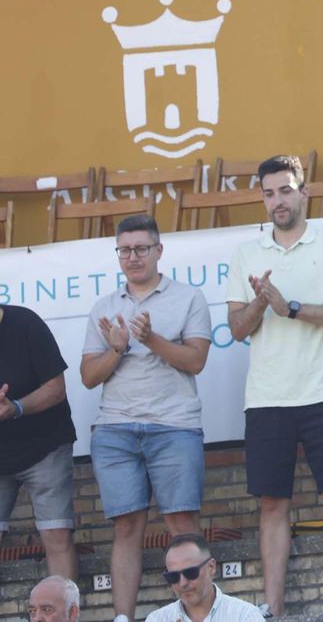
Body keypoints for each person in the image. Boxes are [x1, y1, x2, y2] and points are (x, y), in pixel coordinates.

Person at [223, 155, 323, 618]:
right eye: (268, 193)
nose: (277, 201)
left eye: (285, 190)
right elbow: (238, 329)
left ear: (304, 192)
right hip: (267, 397)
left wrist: (290, 307)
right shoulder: (247, 254)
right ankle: (272, 607)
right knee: (272, 502)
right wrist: (260, 304)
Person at [80, 214, 212, 622]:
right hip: (115, 429)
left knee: (182, 523)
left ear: (159, 250)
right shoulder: (104, 307)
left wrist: (150, 339)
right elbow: (87, 378)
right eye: (125, 250)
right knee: (125, 528)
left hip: (174, 426)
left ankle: (203, 614)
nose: (133, 257)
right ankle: (123, 618)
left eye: (141, 248)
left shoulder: (189, 297)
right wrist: (117, 348)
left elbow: (196, 361)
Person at [0, 303, 76, 580]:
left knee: (56, 535)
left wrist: (15, 408)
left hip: (44, 447)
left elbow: (56, 389)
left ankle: (67, 612)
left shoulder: (26, 323)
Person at [145, 532, 265, 622]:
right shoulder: (157, 619)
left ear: (211, 567)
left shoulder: (244, 616)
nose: (182, 583)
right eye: (173, 576)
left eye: (190, 572)